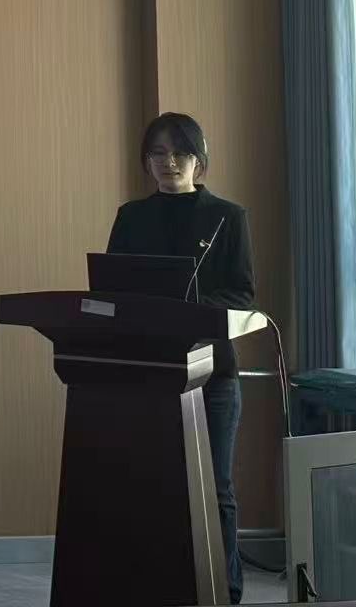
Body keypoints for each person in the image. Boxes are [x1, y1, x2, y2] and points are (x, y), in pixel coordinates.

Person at [108, 111, 255, 604]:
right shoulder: (131, 216)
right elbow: (110, 288)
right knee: (152, 486)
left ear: (199, 159)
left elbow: (242, 294)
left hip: (213, 372)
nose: (169, 162)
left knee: (217, 487)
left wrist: (189, 306)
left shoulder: (228, 217)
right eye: (158, 153)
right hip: (148, 371)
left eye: (180, 153)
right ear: (146, 161)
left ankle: (227, 592)